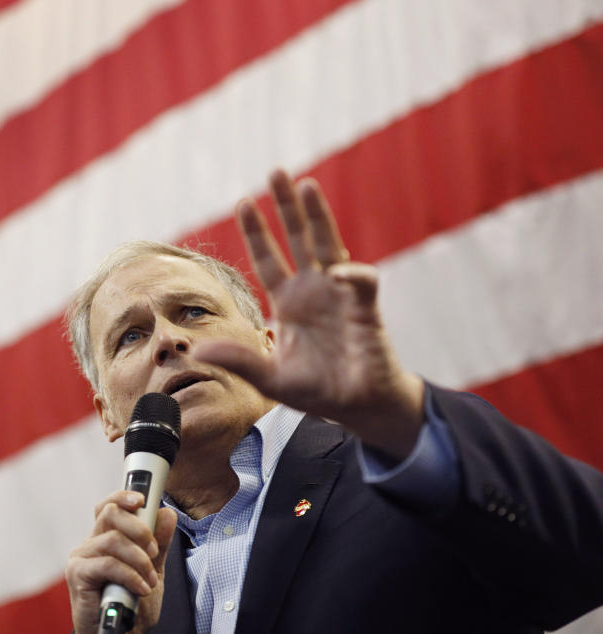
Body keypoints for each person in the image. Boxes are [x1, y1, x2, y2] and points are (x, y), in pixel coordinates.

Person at [63, 168, 603, 633]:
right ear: (108, 413)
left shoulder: (406, 466)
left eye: (194, 312)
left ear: (267, 344)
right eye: (130, 336)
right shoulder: (133, 589)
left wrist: (394, 414)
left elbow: (586, 554)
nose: (167, 341)